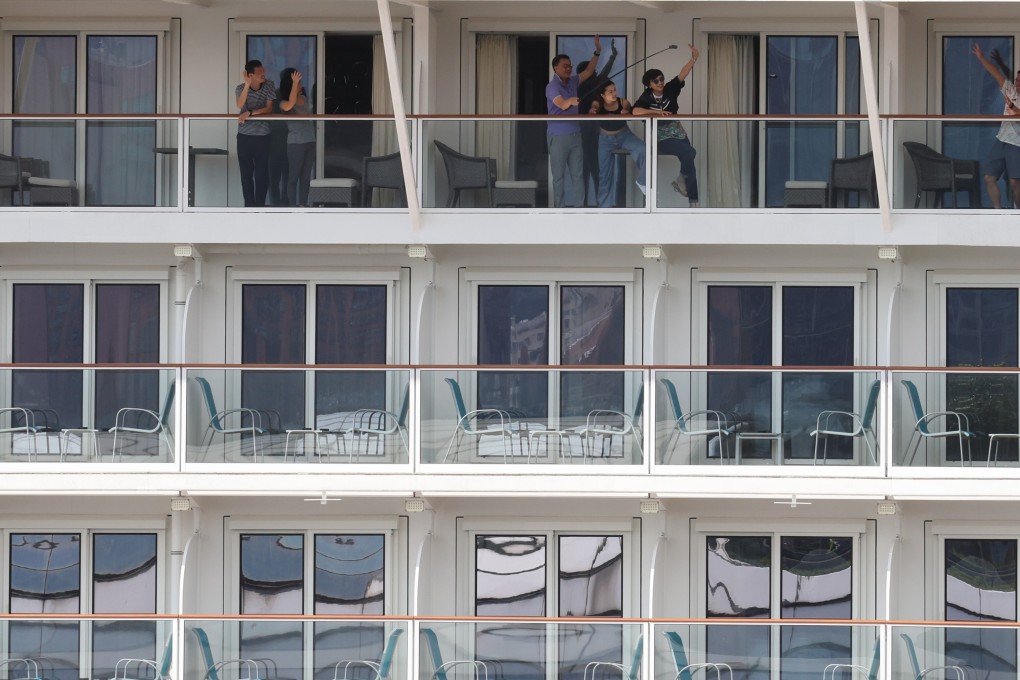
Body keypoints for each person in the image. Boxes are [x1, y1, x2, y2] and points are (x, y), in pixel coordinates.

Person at [632, 44, 700, 207]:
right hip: (659, 135)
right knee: (689, 151)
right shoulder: (646, 96)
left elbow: (682, 74)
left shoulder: (670, 89)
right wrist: (655, 113)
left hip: (677, 131)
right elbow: (635, 111)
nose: (660, 82)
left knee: (689, 159)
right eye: (656, 80)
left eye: (661, 78)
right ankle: (682, 187)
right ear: (649, 84)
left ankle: (693, 201)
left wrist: (693, 58)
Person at [546, 36, 601, 208]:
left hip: (576, 135)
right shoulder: (552, 86)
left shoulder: (573, 81)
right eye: (565, 66)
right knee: (559, 176)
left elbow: (589, 71)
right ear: (555, 67)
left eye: (570, 65)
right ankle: (559, 210)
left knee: (577, 175)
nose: (569, 68)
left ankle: (579, 210)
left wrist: (597, 51)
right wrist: (570, 101)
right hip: (558, 137)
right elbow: (561, 103)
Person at [973, 43, 1020, 209]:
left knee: (1015, 181)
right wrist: (982, 58)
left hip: (1017, 144)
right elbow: (996, 74)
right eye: (1017, 79)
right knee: (989, 177)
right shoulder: (1011, 91)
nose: (1017, 83)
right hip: (1002, 139)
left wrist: (1013, 108)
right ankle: (997, 213)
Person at [589, 80, 646, 207]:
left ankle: (643, 181)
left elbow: (628, 109)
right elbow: (593, 109)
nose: (614, 93)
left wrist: (626, 112)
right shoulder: (597, 103)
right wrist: (592, 111)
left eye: (614, 90)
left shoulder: (622, 101)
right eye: (610, 91)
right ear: (603, 95)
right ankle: (604, 208)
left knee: (643, 149)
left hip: (625, 135)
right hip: (605, 140)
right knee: (605, 175)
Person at [576, 39, 619, 206]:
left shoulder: (585, 85)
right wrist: (612, 57)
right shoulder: (582, 85)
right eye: (592, 71)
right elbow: (603, 75)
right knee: (591, 167)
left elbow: (603, 75)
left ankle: (588, 204)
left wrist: (612, 58)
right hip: (586, 129)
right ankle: (595, 203)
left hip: (586, 130)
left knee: (587, 168)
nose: (595, 73)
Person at [235, 59, 277, 207]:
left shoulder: (269, 85)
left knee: (262, 173)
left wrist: (250, 113)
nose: (263, 74)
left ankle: (259, 206)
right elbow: (239, 105)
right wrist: (247, 85)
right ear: (250, 75)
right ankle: (249, 206)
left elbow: (269, 109)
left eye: (263, 71)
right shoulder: (240, 88)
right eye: (259, 73)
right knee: (246, 174)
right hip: (244, 136)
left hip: (263, 135)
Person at [278, 68, 315, 207]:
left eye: (299, 83)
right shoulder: (283, 102)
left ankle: (303, 205)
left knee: (306, 177)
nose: (301, 86)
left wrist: (295, 84)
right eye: (298, 83)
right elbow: (290, 105)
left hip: (310, 140)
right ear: (290, 85)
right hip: (296, 143)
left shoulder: (304, 98)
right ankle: (293, 207)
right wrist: (294, 84)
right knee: (294, 176)